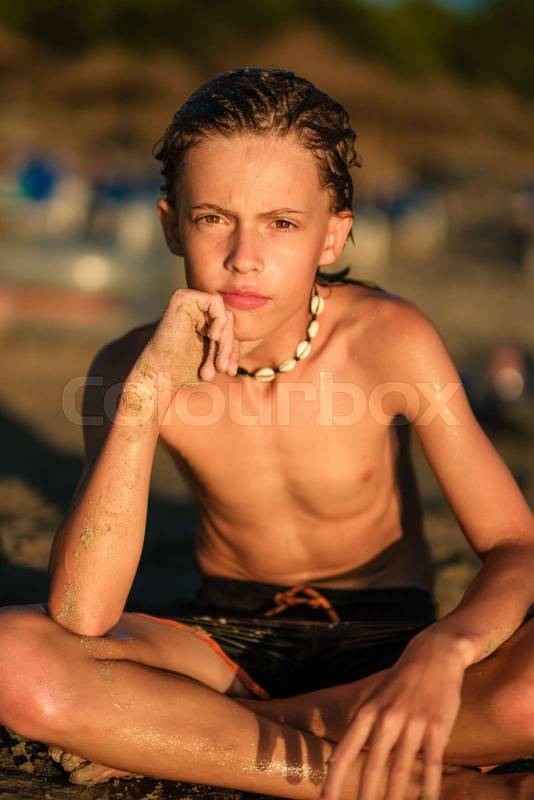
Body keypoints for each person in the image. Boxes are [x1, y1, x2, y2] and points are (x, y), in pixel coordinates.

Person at [1, 67, 534, 800]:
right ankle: (422, 786)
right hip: (223, 644)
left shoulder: (390, 339)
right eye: (213, 218)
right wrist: (144, 398)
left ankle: (216, 736)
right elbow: (81, 616)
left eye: (282, 223)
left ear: (331, 235)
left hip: (392, 644)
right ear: (170, 225)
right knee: (14, 659)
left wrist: (447, 647)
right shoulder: (126, 367)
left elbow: (515, 545)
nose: (243, 256)